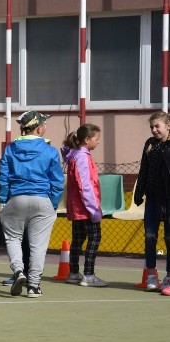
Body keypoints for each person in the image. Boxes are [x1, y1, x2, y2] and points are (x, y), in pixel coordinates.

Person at [0, 111, 65, 298]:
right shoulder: (50, 151)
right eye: (44, 124)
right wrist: (52, 203)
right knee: (38, 246)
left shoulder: (10, 149)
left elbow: (3, 177)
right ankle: (34, 286)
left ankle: (19, 271)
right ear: (38, 127)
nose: (45, 127)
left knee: (13, 238)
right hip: (42, 199)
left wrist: (3, 199)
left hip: (16, 198)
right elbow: (57, 181)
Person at [61, 123, 108, 287]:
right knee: (94, 238)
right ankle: (88, 274)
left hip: (77, 208)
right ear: (87, 139)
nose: (98, 142)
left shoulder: (76, 156)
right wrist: (93, 209)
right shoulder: (81, 157)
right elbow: (85, 185)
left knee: (78, 240)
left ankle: (74, 273)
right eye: (96, 139)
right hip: (86, 208)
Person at [133, 111, 170, 293]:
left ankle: (169, 278)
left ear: (168, 126)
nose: (154, 130)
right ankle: (151, 275)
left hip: (168, 199)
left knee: (169, 238)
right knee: (150, 236)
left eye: (158, 126)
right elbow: (144, 170)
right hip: (153, 198)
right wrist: (139, 194)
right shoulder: (150, 144)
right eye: (152, 127)